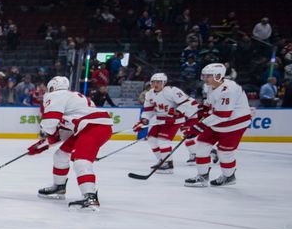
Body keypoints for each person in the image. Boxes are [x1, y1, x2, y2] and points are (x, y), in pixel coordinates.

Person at [28, 76, 113, 211]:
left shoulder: (56, 95)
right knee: (61, 155)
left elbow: (50, 123)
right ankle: (59, 187)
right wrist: (43, 145)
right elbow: (64, 134)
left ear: (52, 87)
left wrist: (46, 136)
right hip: (87, 128)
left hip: (93, 127)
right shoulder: (71, 100)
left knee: (81, 161)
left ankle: (90, 196)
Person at [183, 63, 251, 187]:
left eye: (208, 76)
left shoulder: (229, 90)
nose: (205, 78)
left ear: (218, 76)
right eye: (204, 75)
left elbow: (223, 115)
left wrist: (199, 126)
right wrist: (202, 111)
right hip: (216, 122)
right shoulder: (209, 86)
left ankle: (229, 176)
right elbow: (209, 104)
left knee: (224, 153)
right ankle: (202, 177)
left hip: (234, 124)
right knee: (202, 146)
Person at [132, 73, 199, 174]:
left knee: (163, 140)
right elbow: (148, 110)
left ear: (164, 83)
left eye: (158, 82)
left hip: (175, 120)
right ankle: (162, 160)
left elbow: (186, 103)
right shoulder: (149, 94)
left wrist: (176, 113)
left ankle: (168, 164)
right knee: (151, 139)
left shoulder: (172, 91)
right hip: (160, 120)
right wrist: (143, 120)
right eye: (153, 82)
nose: (155, 84)